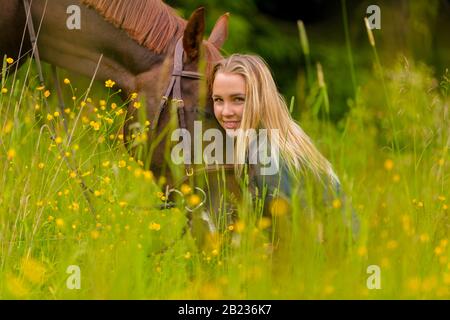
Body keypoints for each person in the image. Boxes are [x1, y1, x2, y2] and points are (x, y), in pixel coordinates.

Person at [209, 54, 358, 245]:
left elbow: (298, 236)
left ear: (260, 99)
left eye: (238, 99)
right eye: (218, 100)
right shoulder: (275, 138)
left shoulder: (267, 155)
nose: (226, 111)